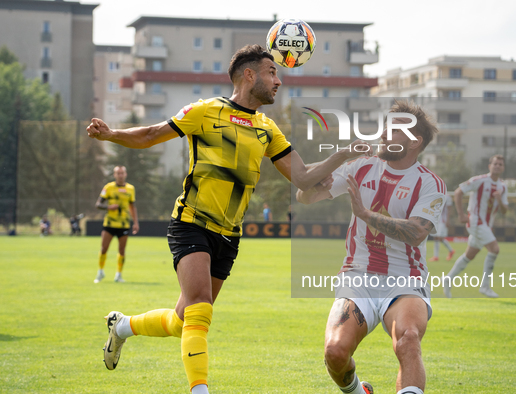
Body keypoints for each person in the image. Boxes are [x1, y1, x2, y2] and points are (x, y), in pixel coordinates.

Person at [86, 44, 364, 394]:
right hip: (191, 222)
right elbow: (152, 134)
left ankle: (122, 326)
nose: (278, 80)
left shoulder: (267, 128)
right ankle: (199, 389)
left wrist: (343, 154)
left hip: (229, 235)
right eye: (272, 72)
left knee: (184, 318)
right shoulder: (204, 111)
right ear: (249, 75)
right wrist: (111, 134)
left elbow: (304, 177)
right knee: (200, 307)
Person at [297, 101, 445, 394]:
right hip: (358, 276)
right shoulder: (362, 166)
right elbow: (305, 196)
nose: (384, 133)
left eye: (394, 129)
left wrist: (366, 215)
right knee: (335, 352)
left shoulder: (430, 184)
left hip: (405, 280)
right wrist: (341, 156)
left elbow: (416, 233)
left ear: (415, 142)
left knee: (409, 338)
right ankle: (357, 391)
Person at [444, 154, 508, 298]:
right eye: (495, 163)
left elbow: (504, 211)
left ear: (503, 168)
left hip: (486, 224)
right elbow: (458, 192)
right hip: (475, 221)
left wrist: (499, 199)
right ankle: (485, 286)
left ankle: (448, 279)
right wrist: (461, 214)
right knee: (494, 249)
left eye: (500, 164)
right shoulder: (479, 180)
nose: (497, 166)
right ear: (489, 166)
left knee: (470, 255)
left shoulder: (503, 186)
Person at [94, 166, 139, 284]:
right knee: (104, 248)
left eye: (122, 173)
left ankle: (118, 275)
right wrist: (109, 207)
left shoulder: (130, 189)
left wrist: (135, 222)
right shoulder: (108, 187)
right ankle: (100, 272)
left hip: (124, 224)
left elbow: (132, 206)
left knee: (122, 250)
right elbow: (98, 204)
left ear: (126, 174)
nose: (120, 175)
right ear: (114, 175)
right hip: (109, 223)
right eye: (118, 173)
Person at [428, 194, 455, 262]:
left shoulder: (447, 197)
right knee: (436, 237)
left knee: (439, 237)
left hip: (443, 220)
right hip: (436, 220)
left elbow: (449, 209)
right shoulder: (435, 195)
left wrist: (448, 220)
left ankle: (451, 250)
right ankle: (436, 256)